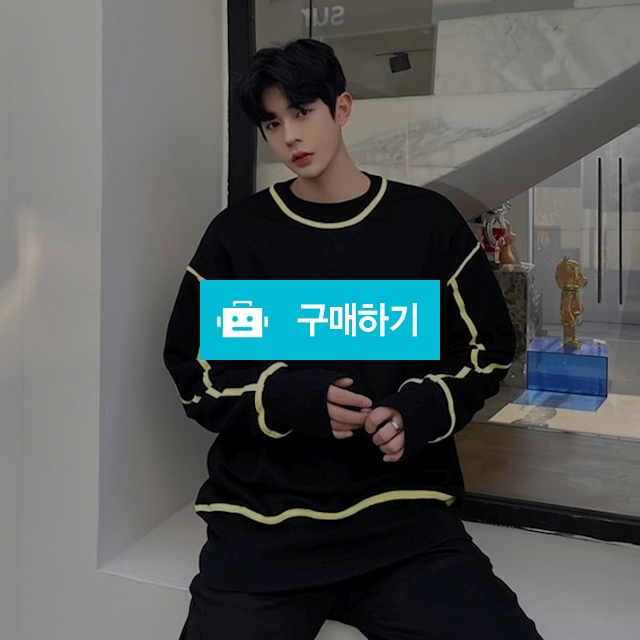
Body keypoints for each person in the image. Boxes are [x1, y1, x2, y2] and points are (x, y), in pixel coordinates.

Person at [164, 38, 542, 640]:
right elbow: (198, 375)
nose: (290, 136)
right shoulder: (239, 238)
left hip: (405, 529)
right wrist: (282, 399)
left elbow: (485, 350)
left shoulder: (425, 225)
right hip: (264, 533)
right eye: (272, 123)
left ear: (341, 108)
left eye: (302, 111)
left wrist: (422, 406)